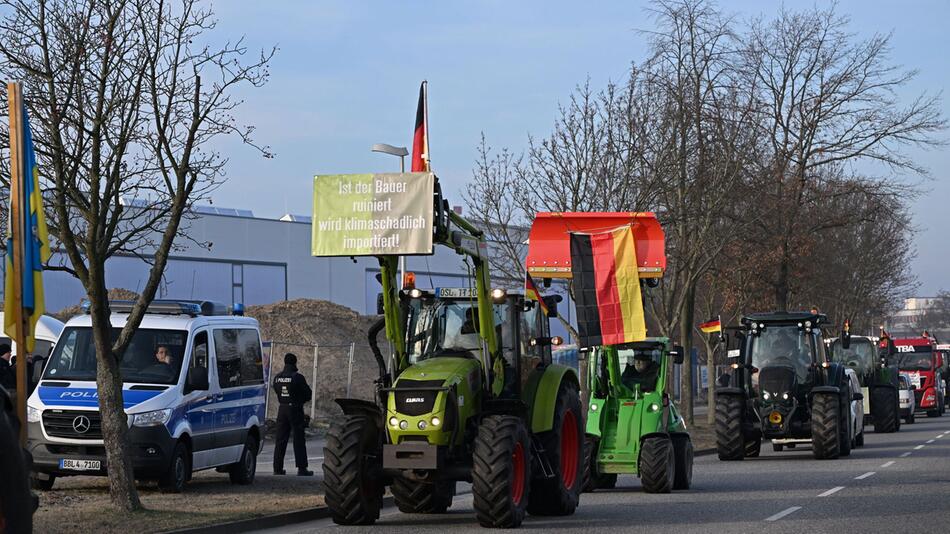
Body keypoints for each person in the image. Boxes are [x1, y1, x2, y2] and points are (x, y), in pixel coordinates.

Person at [272, 352, 313, 476]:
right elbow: (308, 394)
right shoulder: (297, 377)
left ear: (285, 362)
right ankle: (302, 468)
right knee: (298, 439)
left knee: (280, 439)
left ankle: (277, 468)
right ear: (295, 362)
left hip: (282, 409)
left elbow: (276, 390)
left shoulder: (277, 377)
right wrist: (299, 401)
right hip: (295, 409)